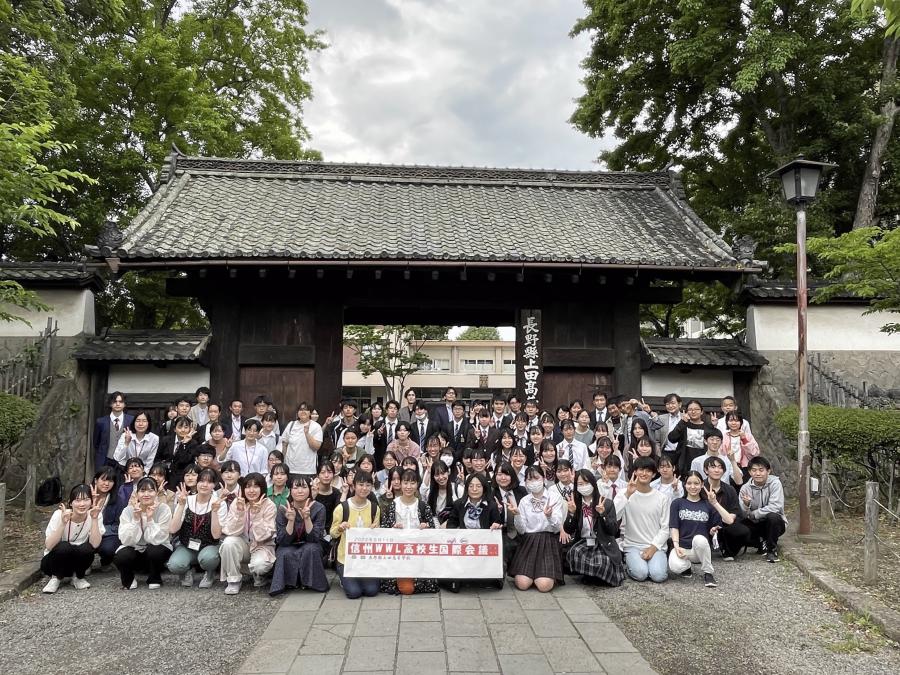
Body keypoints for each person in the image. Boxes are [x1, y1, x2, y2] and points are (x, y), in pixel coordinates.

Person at [668, 471, 736, 588]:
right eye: (689, 483)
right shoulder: (677, 503)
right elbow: (674, 527)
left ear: (701, 485)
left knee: (699, 539)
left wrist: (714, 502)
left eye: (696, 483)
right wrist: (676, 546)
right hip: (683, 548)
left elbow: (729, 520)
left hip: (700, 548)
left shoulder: (707, 505)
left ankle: (708, 573)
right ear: (684, 485)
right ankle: (687, 567)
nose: (693, 487)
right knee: (676, 566)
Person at [379, 468, 438, 595]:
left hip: (419, 553)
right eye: (405, 483)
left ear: (417, 484)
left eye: (412, 483)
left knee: (425, 585)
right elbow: (384, 529)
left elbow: (433, 531)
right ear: (400, 484)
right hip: (398, 554)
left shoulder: (423, 506)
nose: (408, 487)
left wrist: (426, 527)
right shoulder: (393, 505)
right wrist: (393, 527)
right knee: (406, 588)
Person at [507, 466, 565, 592]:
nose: (533, 482)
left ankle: (545, 574)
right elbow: (522, 530)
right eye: (529, 479)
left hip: (548, 540)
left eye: (536, 478)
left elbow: (556, 528)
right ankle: (532, 574)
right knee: (522, 584)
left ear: (543, 479)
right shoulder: (524, 501)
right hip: (529, 541)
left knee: (544, 586)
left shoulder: (554, 497)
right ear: (526, 482)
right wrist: (516, 514)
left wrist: (549, 516)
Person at [167, 468, 226, 588]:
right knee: (174, 565)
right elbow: (173, 529)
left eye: (209, 482)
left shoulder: (219, 503)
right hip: (187, 545)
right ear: (197, 483)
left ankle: (209, 573)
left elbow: (216, 535)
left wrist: (214, 511)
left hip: (209, 544)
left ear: (214, 485)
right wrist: (181, 505)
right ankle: (187, 571)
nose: (205, 485)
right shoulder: (186, 500)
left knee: (209, 559)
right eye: (201, 481)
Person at [564, 469, 624, 586]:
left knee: (603, 561)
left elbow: (613, 530)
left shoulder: (606, 503)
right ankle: (591, 575)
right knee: (575, 552)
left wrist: (603, 514)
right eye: (580, 484)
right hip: (584, 541)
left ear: (593, 483)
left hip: (603, 542)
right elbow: (568, 530)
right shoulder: (576, 504)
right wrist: (571, 513)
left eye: (587, 483)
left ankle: (597, 576)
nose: (584, 487)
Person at [270, 476, 329, 595]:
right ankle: (289, 583)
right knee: (284, 552)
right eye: (296, 487)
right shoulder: (283, 509)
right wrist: (290, 521)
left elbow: (315, 538)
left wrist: (307, 518)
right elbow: (282, 540)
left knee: (311, 549)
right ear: (290, 490)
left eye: (304, 487)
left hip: (311, 542)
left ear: (309, 489)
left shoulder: (318, 508)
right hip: (289, 543)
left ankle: (309, 582)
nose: (300, 491)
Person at [41, 484, 104, 593]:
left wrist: (94, 519)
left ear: (91, 502)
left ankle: (77, 577)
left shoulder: (95, 514)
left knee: (87, 548)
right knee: (64, 546)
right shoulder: (59, 515)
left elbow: (95, 544)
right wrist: (63, 523)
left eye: (86, 500)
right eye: (77, 500)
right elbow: (49, 545)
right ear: (71, 503)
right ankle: (55, 578)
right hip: (54, 562)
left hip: (77, 562)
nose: (82, 504)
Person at [445, 472, 504, 592]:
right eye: (471, 486)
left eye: (478, 486)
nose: (474, 489)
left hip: (483, 546)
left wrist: (496, 526)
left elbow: (498, 523)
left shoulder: (491, 506)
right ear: (466, 488)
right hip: (463, 545)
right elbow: (451, 524)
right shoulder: (459, 504)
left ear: (484, 488)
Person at [219, 472, 277, 594]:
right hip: (243, 544)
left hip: (262, 545)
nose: (251, 490)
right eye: (248, 486)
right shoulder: (237, 502)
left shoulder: (269, 505)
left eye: (256, 486)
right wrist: (240, 512)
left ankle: (258, 574)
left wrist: (256, 515)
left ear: (262, 488)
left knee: (260, 566)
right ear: (243, 488)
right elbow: (230, 531)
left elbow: (263, 536)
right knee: (228, 543)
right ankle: (234, 580)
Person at [114, 476, 173, 589]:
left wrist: (150, 520)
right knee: (121, 555)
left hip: (156, 549)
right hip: (136, 549)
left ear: (156, 493)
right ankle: (129, 579)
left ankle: (154, 577)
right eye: (142, 490)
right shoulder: (128, 510)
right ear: (137, 494)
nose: (146, 494)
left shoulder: (163, 509)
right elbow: (126, 540)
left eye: (151, 490)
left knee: (155, 550)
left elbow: (159, 539)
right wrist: (136, 519)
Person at [330, 470, 381, 599]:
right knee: (354, 593)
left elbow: (378, 534)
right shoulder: (342, 508)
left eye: (368, 485)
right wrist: (340, 528)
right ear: (354, 485)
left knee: (371, 590)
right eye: (361, 484)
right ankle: (344, 579)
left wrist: (376, 529)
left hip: (366, 558)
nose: (364, 488)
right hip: (346, 559)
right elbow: (332, 533)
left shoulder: (375, 508)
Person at [620, 457, 670, 583]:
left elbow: (665, 528)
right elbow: (614, 515)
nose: (644, 473)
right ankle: (631, 563)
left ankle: (653, 563)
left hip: (655, 546)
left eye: (648, 471)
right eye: (641, 469)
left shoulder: (662, 498)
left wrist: (653, 548)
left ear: (653, 474)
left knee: (658, 576)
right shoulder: (624, 493)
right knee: (641, 574)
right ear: (635, 472)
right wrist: (627, 495)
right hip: (632, 546)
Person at [739, 456, 787, 562]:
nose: (758, 473)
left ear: (768, 471)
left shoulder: (775, 483)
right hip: (755, 524)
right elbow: (743, 514)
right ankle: (760, 542)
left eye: (761, 470)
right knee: (738, 526)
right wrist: (746, 505)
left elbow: (775, 507)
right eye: (754, 470)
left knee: (773, 517)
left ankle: (771, 550)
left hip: (774, 524)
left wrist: (754, 513)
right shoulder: (745, 488)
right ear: (750, 472)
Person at [703, 456, 749, 561]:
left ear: (724, 471)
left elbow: (733, 515)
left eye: (720, 467)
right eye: (713, 467)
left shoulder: (730, 489)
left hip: (724, 527)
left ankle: (727, 550)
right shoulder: (700, 488)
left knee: (743, 531)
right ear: (706, 470)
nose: (717, 470)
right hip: (704, 526)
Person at [667, 399, 716, 477]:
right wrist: (682, 422)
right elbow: (672, 438)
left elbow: (715, 443)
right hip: (685, 465)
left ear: (702, 411)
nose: (693, 412)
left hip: (703, 465)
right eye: (690, 409)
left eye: (696, 409)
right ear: (686, 412)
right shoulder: (683, 425)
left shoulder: (707, 427)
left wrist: (714, 427)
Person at [281, 402, 323, 478]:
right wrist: (283, 463)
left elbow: (316, 447)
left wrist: (307, 434)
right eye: (300, 409)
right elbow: (284, 444)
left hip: (308, 470)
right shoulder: (291, 425)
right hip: (290, 469)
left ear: (310, 412)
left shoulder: (316, 426)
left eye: (306, 410)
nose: (303, 412)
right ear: (297, 412)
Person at [91, 468, 123, 570]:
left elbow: (118, 523)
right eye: (103, 480)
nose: (106, 484)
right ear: (96, 480)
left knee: (108, 548)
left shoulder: (118, 499)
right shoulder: (85, 496)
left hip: (108, 533)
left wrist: (101, 531)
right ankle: (85, 563)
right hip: (86, 531)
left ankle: (106, 561)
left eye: (110, 481)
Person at [425, 460, 463, 527]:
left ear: (448, 472)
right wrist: (439, 529)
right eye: (437, 475)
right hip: (438, 530)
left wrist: (448, 524)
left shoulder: (458, 489)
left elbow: (462, 512)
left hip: (456, 529)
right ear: (433, 477)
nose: (441, 477)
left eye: (443, 473)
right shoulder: (430, 493)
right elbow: (433, 515)